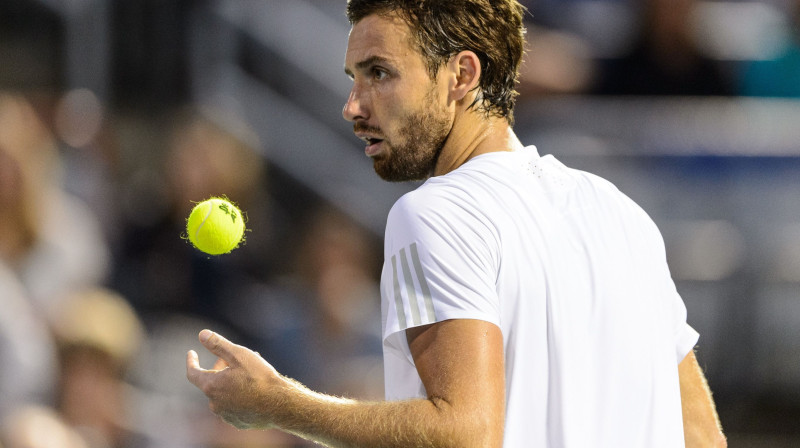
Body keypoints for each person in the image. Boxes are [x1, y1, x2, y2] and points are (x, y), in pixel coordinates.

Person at [187, 1, 727, 446]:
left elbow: (464, 434)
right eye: (354, 78)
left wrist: (280, 404)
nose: (353, 106)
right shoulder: (620, 213)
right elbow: (703, 438)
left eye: (380, 73)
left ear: (462, 74)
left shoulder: (434, 214)